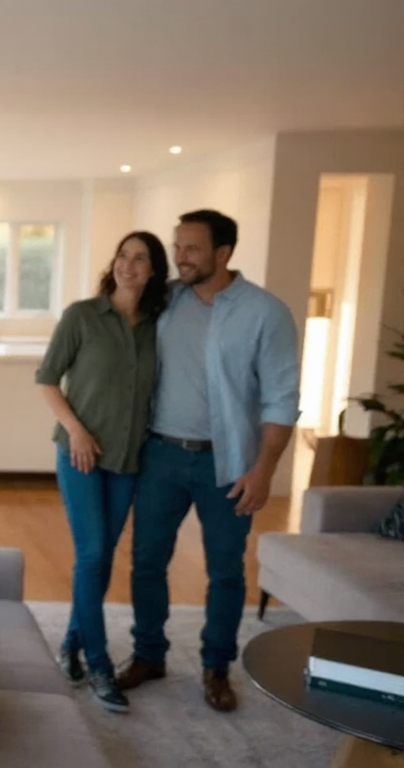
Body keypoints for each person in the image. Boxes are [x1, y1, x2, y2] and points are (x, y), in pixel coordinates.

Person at [116, 209, 301, 712]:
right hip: (160, 455)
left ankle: (216, 666)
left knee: (225, 571)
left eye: (191, 248)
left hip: (229, 463)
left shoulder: (265, 312)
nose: (179, 257)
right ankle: (148, 653)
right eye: (177, 246)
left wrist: (264, 469)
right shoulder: (166, 300)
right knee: (147, 562)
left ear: (224, 252)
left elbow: (282, 398)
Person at [35, 231, 170, 713]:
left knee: (101, 559)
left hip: (128, 459)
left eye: (140, 258)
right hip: (81, 457)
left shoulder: (158, 325)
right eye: (122, 256)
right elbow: (47, 378)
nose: (128, 265)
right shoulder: (82, 317)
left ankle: (71, 643)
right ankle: (98, 665)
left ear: (154, 270)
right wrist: (76, 431)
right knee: (92, 555)